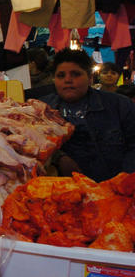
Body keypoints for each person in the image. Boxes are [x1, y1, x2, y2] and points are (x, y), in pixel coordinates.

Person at [38, 49, 135, 182]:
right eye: (61, 75)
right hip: (63, 190)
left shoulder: (120, 105)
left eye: (76, 74)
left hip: (115, 186)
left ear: (90, 78)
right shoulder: (41, 110)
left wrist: (124, 180)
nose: (67, 80)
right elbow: (32, 146)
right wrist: (58, 157)